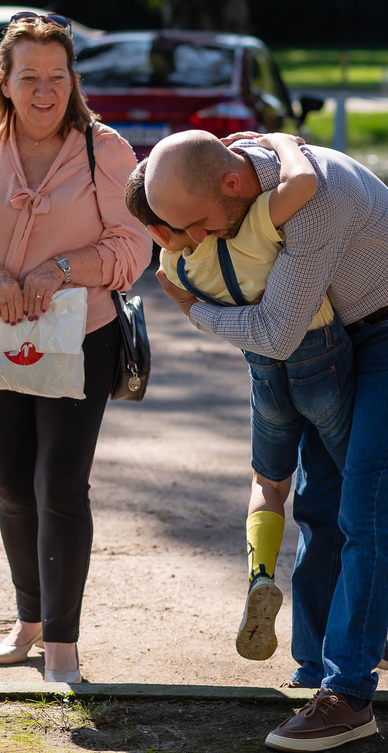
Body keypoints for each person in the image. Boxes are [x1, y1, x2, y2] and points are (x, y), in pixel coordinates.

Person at [145, 129, 388, 753]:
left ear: (232, 183)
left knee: (366, 505)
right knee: (317, 504)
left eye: (199, 224)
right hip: (336, 334)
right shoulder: (248, 183)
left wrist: (194, 312)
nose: (197, 240)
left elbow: (277, 332)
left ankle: (348, 694)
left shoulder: (312, 197)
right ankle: (318, 664)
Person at [0, 12, 151, 683]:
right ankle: (28, 618)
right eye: (30, 77)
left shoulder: (103, 149)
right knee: (12, 483)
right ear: (6, 80)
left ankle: (62, 645)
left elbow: (133, 245)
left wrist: (57, 270)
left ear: (72, 80)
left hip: (84, 337)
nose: (44, 90)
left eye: (57, 76)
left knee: (60, 483)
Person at [125, 135, 356, 665]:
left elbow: (188, 286)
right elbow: (303, 184)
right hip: (318, 355)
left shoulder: (175, 270)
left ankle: (260, 574)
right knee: (355, 486)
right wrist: (281, 142)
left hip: (265, 372)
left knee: (268, 483)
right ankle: (360, 617)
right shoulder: (253, 225)